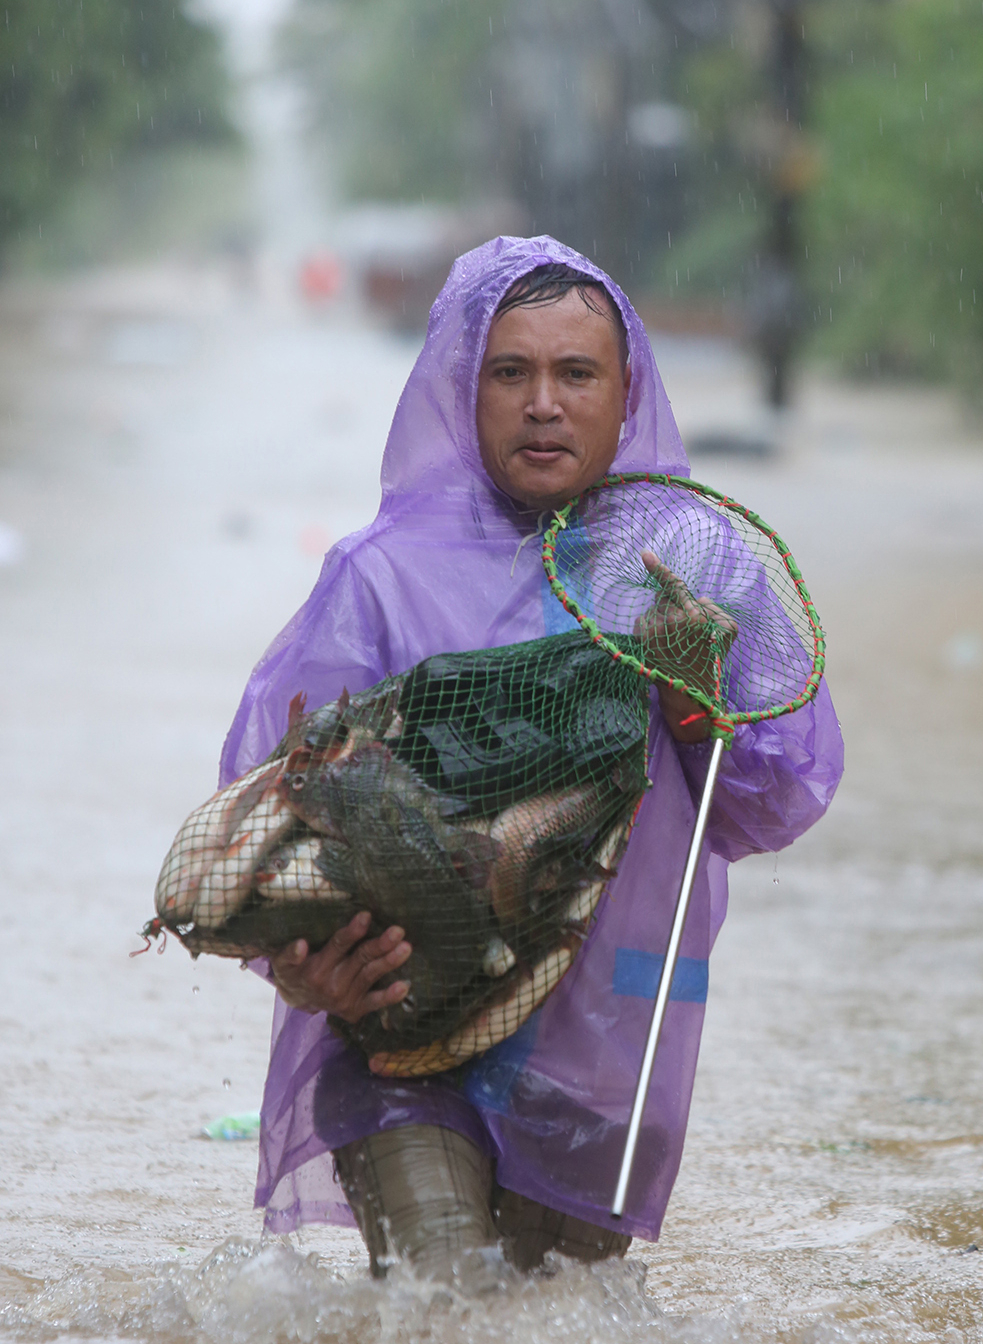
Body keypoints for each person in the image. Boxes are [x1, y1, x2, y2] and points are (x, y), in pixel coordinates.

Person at [218, 235, 843, 1281]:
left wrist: (692, 702)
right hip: (397, 1039)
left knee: (548, 1314)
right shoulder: (378, 580)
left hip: (605, 1056)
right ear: (464, 391)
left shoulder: (687, 571)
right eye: (510, 373)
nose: (542, 402)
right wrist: (305, 964)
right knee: (450, 1294)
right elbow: (267, 823)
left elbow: (766, 805)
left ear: (625, 390)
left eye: (575, 373)